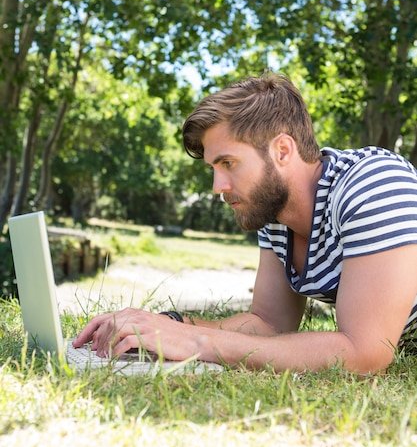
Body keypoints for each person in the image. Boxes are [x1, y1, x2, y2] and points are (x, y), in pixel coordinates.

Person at [73, 72, 417, 374]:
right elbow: (269, 323)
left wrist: (198, 342)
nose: (218, 187)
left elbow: (365, 354)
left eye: (229, 163)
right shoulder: (275, 210)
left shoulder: (374, 185)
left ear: (282, 151)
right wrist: (165, 326)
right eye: (214, 168)